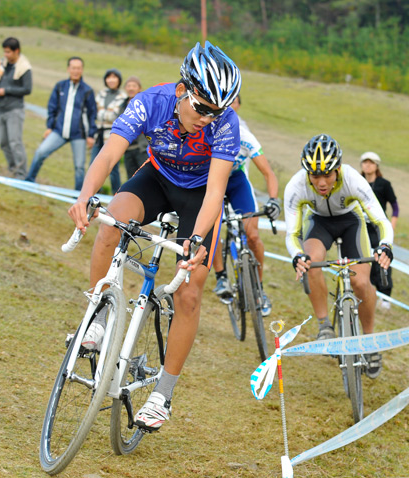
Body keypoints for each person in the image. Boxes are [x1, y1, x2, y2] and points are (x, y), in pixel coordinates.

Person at [68, 41, 241, 432]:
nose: (208, 118)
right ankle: (97, 315)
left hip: (199, 195)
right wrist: (83, 197)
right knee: (111, 222)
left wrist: (195, 241)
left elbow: (216, 191)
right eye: (202, 108)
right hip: (158, 178)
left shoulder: (225, 124)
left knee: (190, 291)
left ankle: (162, 393)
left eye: (217, 111)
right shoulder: (152, 102)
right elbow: (111, 153)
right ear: (183, 90)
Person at [285, 134, 393, 378]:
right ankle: (324, 326)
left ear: (339, 168)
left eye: (328, 174)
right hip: (318, 222)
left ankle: (369, 340)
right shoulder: (296, 186)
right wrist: (297, 255)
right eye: (315, 175)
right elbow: (292, 233)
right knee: (311, 262)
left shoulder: (353, 179)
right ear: (306, 173)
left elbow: (381, 220)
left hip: (350, 221)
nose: (322, 182)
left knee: (360, 282)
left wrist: (385, 245)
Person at [212, 94, 280, 316]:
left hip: (237, 182)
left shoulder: (247, 137)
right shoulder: (211, 133)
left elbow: (268, 173)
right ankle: (221, 277)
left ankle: (259, 289)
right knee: (211, 228)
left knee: (253, 236)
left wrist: (273, 200)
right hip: (213, 181)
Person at [26, 57, 96, 190]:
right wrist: (49, 127)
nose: (75, 71)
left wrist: (91, 135)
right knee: (40, 152)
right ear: (68, 69)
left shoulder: (87, 91)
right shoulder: (60, 86)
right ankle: (29, 180)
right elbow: (52, 107)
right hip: (58, 131)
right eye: (73, 68)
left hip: (79, 135)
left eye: (78, 68)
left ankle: (77, 195)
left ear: (82, 70)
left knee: (80, 167)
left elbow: (92, 114)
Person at [0, 37, 32, 179]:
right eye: (4, 52)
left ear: (16, 51)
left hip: (14, 109)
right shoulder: (3, 65)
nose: (5, 54)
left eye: (8, 52)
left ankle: (21, 174)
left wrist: (6, 90)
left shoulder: (24, 68)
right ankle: (13, 169)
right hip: (1, 108)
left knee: (15, 142)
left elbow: (27, 89)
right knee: (4, 143)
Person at [359, 151, 398, 308]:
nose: (367, 165)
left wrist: (392, 226)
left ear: (376, 165)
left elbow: (395, 207)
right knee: (363, 259)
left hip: (379, 228)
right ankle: (367, 292)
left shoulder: (384, 184)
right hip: (362, 228)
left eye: (371, 162)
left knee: (381, 259)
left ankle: (385, 297)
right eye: (365, 162)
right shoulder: (358, 182)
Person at [88, 68, 127, 193]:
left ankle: (116, 193)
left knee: (112, 167)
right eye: (109, 77)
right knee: (93, 164)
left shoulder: (123, 97)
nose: (111, 80)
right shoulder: (101, 93)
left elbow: (115, 115)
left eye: (114, 77)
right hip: (98, 134)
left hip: (112, 135)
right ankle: (93, 192)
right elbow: (94, 113)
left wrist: (103, 115)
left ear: (119, 80)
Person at [120, 76, 146, 180]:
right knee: (130, 179)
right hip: (128, 149)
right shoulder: (122, 105)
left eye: (134, 86)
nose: (131, 88)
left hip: (142, 149)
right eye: (128, 86)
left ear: (139, 88)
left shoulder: (145, 104)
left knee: (144, 178)